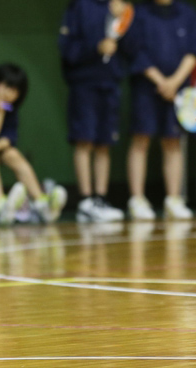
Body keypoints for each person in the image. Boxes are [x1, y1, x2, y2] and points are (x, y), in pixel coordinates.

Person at [127, 0, 196, 220]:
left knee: (173, 142)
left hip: (178, 90)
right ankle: (137, 199)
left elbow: (194, 50)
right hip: (146, 88)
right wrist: (161, 81)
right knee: (140, 139)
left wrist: (174, 82)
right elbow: (135, 51)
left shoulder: (188, 13)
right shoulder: (139, 14)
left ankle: (174, 199)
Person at [59, 0, 138, 223]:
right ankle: (85, 200)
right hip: (84, 84)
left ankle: (100, 198)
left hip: (110, 83)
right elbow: (67, 49)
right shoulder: (80, 7)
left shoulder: (121, 7)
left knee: (105, 143)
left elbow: (132, 49)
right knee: (84, 140)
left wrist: (120, 20)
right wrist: (96, 47)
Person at [0, 63, 67, 225]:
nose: (7, 93)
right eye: (5, 86)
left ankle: (41, 203)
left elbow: (7, 140)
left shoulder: (11, 112)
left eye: (14, 90)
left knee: (12, 153)